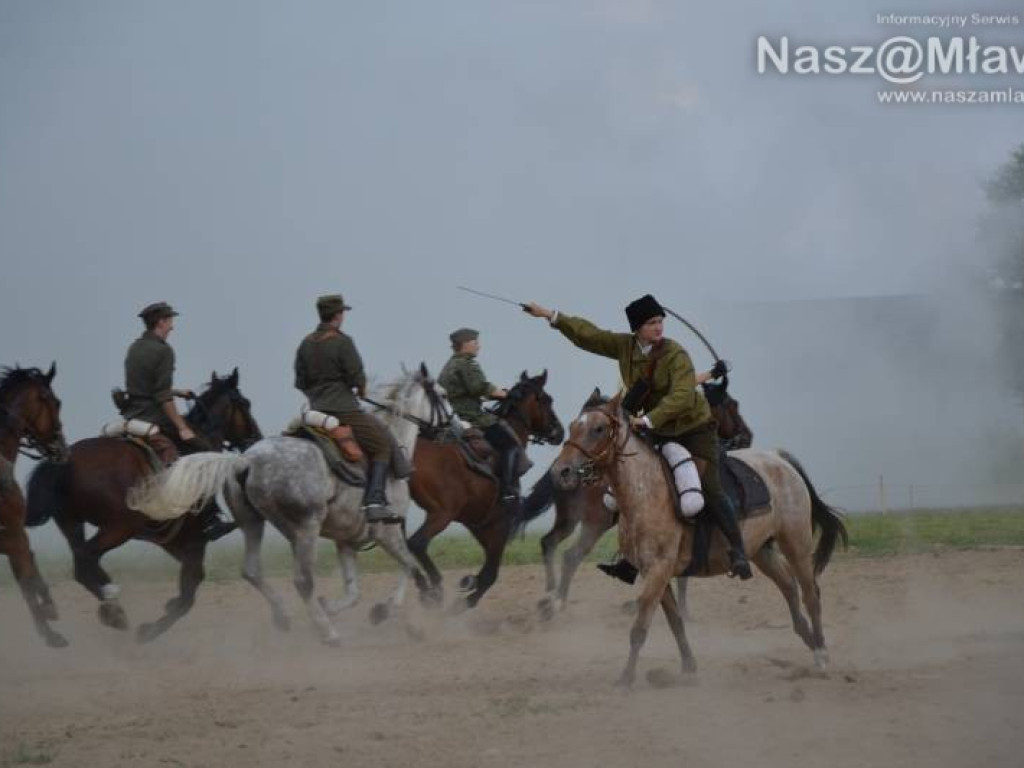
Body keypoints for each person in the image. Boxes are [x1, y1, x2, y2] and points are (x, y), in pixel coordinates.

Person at [523, 294, 752, 581]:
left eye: (660, 322)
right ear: (637, 328)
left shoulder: (675, 354)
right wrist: (549, 315)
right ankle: (630, 557)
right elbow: (589, 336)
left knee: (709, 485)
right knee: (627, 481)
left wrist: (647, 419)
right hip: (656, 428)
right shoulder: (624, 346)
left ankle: (739, 551)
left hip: (693, 429)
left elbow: (681, 395)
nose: (659, 328)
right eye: (652, 323)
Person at [121, 301, 235, 541]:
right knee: (205, 451)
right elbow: (161, 398)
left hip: (132, 414)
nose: (172, 326)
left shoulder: (135, 348)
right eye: (170, 320)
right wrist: (182, 428)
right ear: (161, 321)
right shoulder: (163, 351)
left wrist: (176, 391)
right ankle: (209, 519)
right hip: (153, 416)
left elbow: (145, 386)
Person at [293, 294, 396, 523]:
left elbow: (300, 382)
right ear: (338, 315)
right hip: (344, 408)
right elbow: (356, 376)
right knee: (381, 446)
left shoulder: (305, 343)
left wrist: (317, 397)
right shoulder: (342, 341)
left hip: (315, 409)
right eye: (343, 313)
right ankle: (375, 502)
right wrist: (361, 390)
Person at [437, 328, 522, 513]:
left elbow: (465, 393)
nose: (479, 346)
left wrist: (495, 396)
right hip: (473, 417)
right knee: (511, 446)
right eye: (475, 342)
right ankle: (508, 491)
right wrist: (505, 394)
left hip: (455, 415)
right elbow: (479, 387)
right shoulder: (466, 364)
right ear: (466, 344)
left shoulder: (449, 365)